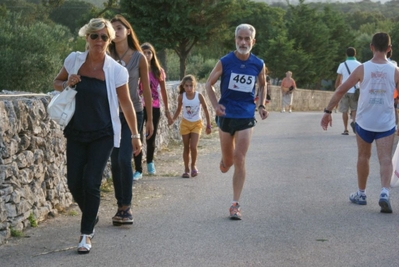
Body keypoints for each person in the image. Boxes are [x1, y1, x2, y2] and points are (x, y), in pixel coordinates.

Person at [53, 18, 142, 254]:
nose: (99, 41)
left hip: (103, 133)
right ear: (87, 38)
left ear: (109, 40)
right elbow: (56, 82)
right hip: (77, 130)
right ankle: (90, 216)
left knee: (91, 181)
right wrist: (66, 83)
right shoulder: (74, 60)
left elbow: (126, 105)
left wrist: (135, 135)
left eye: (104, 37)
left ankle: (85, 235)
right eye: (95, 36)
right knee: (74, 183)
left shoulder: (116, 70)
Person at [321, 32, 399, 214]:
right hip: (385, 123)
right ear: (389, 49)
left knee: (363, 157)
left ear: (371, 47)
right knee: (385, 158)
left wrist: (327, 111)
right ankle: (384, 193)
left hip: (365, 121)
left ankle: (362, 194)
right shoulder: (395, 71)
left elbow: (341, 89)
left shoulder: (362, 69)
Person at [205, 23, 269, 220]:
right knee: (229, 161)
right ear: (235, 40)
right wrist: (216, 105)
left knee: (240, 157)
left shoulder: (258, 63)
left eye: (247, 39)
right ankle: (224, 162)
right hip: (226, 115)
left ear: (253, 41)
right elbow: (208, 84)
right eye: (240, 38)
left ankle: (235, 204)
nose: (243, 42)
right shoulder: (225, 61)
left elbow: (263, 84)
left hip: (246, 116)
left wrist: (261, 105)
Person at [108, 15, 153, 226]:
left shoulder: (138, 58)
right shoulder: (105, 56)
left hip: (133, 113)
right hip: (111, 115)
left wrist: (150, 121)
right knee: (115, 162)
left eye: (119, 28)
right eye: (112, 28)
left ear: (127, 31)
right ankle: (120, 206)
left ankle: (127, 208)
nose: (115, 31)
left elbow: (147, 91)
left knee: (124, 159)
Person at [135, 42, 173, 178]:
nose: (146, 55)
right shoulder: (137, 69)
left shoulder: (158, 71)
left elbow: (163, 91)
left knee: (151, 136)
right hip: (139, 107)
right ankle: (138, 169)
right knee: (137, 136)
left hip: (154, 107)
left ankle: (150, 162)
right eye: (143, 52)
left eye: (149, 52)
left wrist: (167, 109)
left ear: (153, 54)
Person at [169, 75, 211, 178]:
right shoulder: (181, 97)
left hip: (197, 123)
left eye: (191, 86)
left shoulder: (199, 96)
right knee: (186, 147)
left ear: (194, 86)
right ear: (183, 86)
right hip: (185, 124)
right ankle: (186, 169)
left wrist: (209, 125)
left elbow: (206, 109)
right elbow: (179, 110)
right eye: (186, 86)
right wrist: (172, 120)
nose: (189, 88)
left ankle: (193, 166)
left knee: (193, 146)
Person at [334, 47, 361, 135]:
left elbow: (338, 79)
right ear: (355, 54)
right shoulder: (359, 65)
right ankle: (355, 127)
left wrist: (337, 89)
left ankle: (346, 129)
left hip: (344, 90)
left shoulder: (342, 64)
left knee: (344, 110)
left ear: (346, 54)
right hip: (355, 91)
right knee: (354, 110)